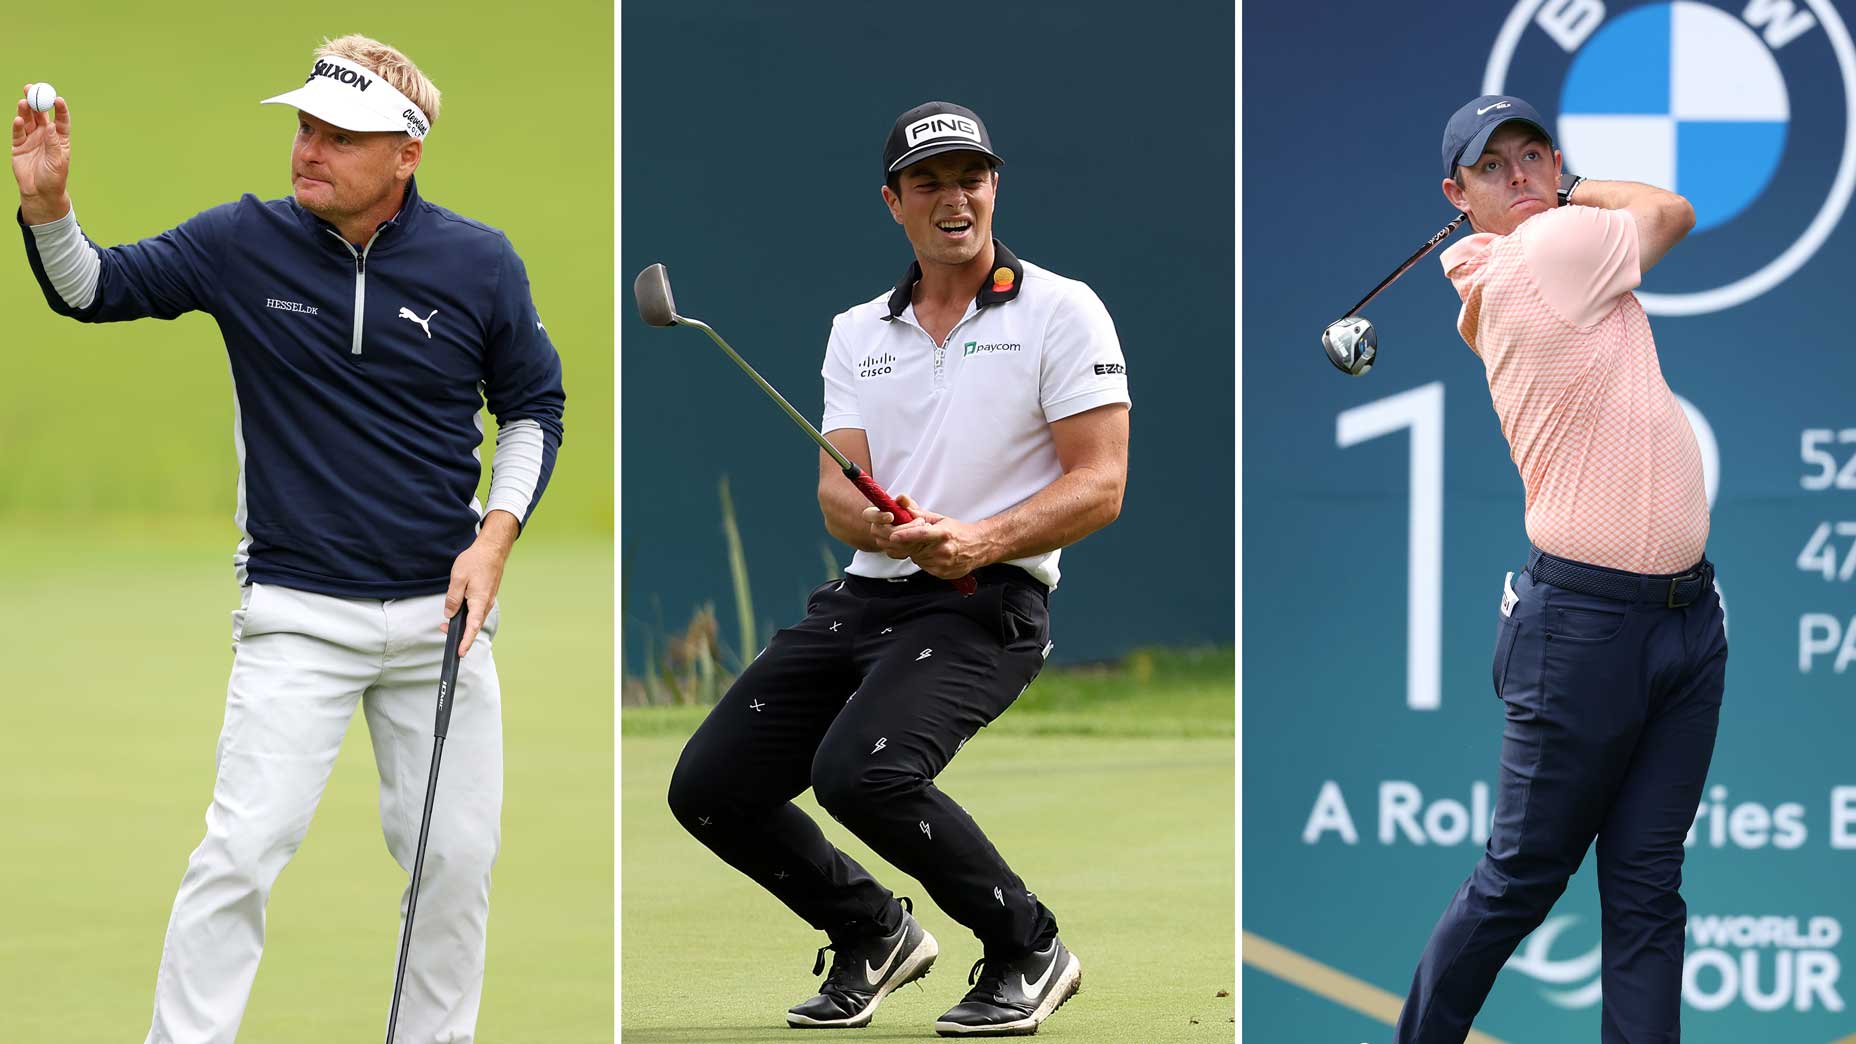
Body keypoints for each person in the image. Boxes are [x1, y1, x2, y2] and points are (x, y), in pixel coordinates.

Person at [11, 35, 565, 1043]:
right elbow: (93, 288)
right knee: (241, 851)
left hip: (442, 620)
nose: (307, 147)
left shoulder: (478, 262)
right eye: (304, 125)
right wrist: (49, 210)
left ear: (406, 152)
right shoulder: (242, 241)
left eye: (338, 134)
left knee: (453, 861)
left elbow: (531, 408)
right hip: (296, 613)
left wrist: (493, 541)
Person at [666, 100, 1129, 1036]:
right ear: (895, 202)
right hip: (866, 595)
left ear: (994, 187)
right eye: (929, 183)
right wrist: (890, 532)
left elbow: (1102, 483)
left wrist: (979, 540)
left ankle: (1028, 948)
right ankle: (871, 931)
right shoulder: (857, 331)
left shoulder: (1061, 309)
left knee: (862, 772)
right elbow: (839, 491)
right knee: (710, 789)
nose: (953, 199)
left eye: (971, 178)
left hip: (985, 602)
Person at [1394, 95, 1726, 1044]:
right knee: (1519, 879)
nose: (1524, 179)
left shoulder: (1529, 255)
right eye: (1493, 170)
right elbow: (1670, 210)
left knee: (1645, 890)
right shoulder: (1550, 250)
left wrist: (1554, 195)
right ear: (1457, 196)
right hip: (1586, 628)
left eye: (1534, 158)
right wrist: (1574, 190)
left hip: (1684, 621)